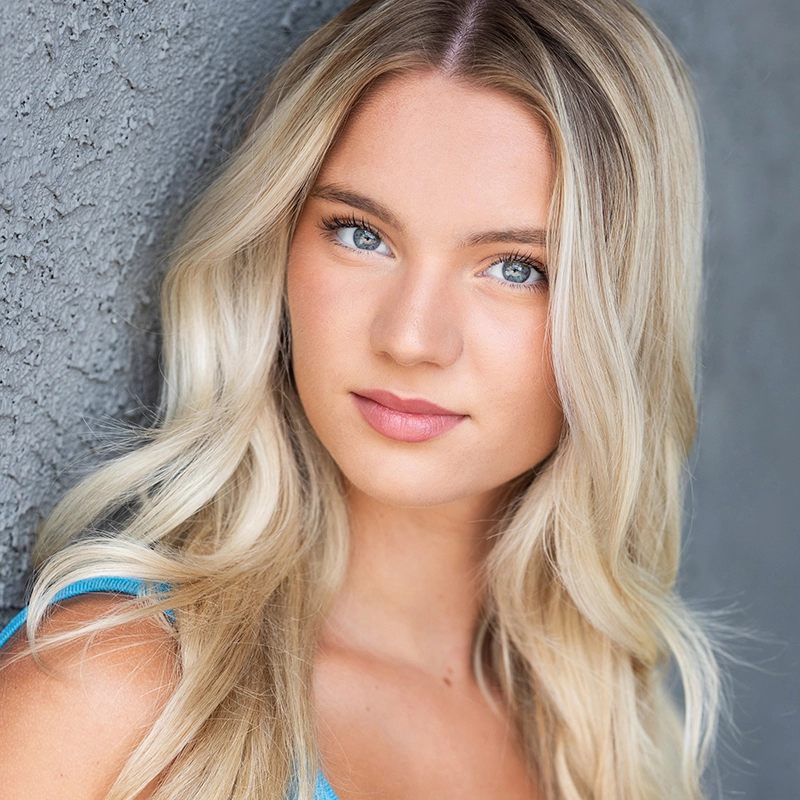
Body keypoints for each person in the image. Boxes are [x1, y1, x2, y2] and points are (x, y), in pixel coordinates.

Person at [0, 0, 720, 798]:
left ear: (618, 318)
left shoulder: (610, 737)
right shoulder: (120, 692)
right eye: (361, 234)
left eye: (516, 268)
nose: (411, 337)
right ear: (279, 245)